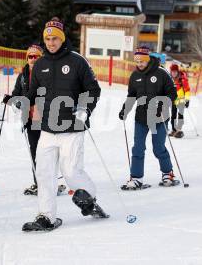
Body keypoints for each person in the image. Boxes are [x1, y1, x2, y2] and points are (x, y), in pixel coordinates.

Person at [21, 18, 106, 231]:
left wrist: (84, 109)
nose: (50, 43)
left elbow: (93, 90)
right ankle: (46, 216)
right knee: (44, 173)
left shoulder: (77, 61)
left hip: (72, 127)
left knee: (71, 172)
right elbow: (32, 93)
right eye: (47, 39)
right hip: (48, 129)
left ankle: (88, 196)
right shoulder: (40, 64)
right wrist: (20, 102)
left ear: (62, 38)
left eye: (54, 39)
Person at [119, 47, 178, 190]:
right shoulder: (134, 76)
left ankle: (167, 173)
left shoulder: (161, 73)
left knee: (158, 148)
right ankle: (136, 178)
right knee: (137, 148)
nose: (139, 64)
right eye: (137, 61)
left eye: (142, 61)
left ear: (147, 59)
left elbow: (172, 93)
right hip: (141, 118)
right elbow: (132, 95)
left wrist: (162, 104)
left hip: (159, 118)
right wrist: (125, 109)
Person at [2, 44, 44, 195]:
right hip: (31, 120)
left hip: (47, 120)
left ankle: (48, 182)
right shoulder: (22, 76)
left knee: (47, 153)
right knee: (34, 153)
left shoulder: (47, 73)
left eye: (36, 56)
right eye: (30, 56)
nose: (32, 59)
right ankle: (38, 183)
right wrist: (10, 99)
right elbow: (16, 94)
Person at [169, 64, 190, 138]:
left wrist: (187, 100)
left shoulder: (182, 79)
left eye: (175, 71)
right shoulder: (169, 79)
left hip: (181, 99)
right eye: (172, 72)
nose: (174, 73)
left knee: (180, 114)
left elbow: (187, 90)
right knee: (173, 115)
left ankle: (179, 130)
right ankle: (174, 130)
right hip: (173, 99)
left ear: (177, 71)